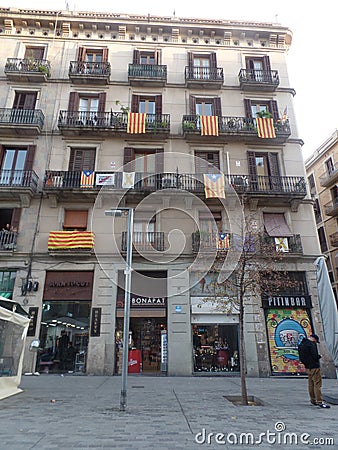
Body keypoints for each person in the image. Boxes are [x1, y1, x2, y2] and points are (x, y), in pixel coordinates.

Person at [298, 333, 330, 408]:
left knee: (310, 384)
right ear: (314, 339)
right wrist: (319, 356)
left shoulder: (302, 344)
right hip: (314, 366)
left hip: (307, 367)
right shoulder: (311, 345)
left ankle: (313, 399)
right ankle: (319, 400)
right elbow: (314, 356)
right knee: (317, 384)